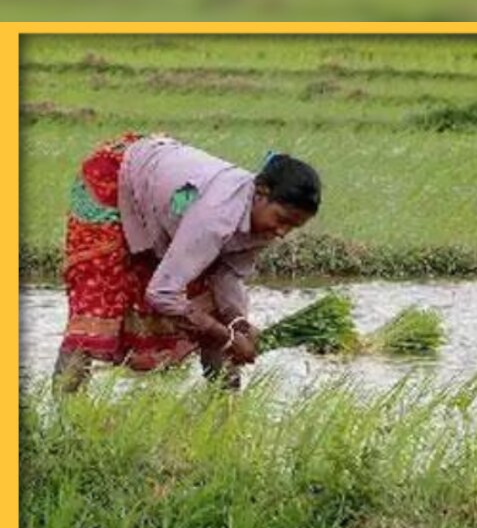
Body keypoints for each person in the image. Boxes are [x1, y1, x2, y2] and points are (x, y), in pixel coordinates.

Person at [54, 133, 321, 392]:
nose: (282, 232)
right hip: (115, 178)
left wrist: (238, 323)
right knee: (96, 305)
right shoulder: (215, 218)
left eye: (293, 227)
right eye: (282, 219)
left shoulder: (262, 222)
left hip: (168, 202)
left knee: (208, 303)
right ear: (260, 193)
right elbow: (162, 293)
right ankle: (65, 415)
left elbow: (227, 275)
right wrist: (226, 337)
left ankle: (225, 409)